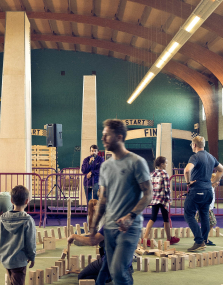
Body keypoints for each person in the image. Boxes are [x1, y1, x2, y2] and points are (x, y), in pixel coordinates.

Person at [90, 119, 152, 285]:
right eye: (102, 135)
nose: (102, 138)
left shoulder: (137, 162)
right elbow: (102, 200)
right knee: (113, 271)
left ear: (118, 137)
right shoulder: (105, 166)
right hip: (109, 228)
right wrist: (93, 227)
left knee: (118, 272)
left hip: (129, 228)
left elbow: (148, 194)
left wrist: (131, 216)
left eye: (106, 135)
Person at [68, 199, 134, 284]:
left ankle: (112, 275)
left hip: (110, 260)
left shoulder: (110, 223)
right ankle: (119, 274)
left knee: (83, 276)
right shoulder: (131, 223)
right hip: (126, 261)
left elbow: (93, 241)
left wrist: (74, 236)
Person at [183, 136, 223, 252]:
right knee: (204, 215)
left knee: (188, 214)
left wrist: (188, 182)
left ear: (194, 145)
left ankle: (199, 240)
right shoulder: (211, 157)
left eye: (192, 144)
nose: (192, 146)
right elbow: (222, 169)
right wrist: (214, 181)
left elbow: (187, 170)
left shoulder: (195, 157)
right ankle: (204, 240)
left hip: (197, 190)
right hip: (208, 191)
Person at [0, 185, 36, 285]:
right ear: (27, 201)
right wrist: (32, 256)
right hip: (19, 261)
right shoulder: (28, 220)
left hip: (6, 260)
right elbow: (30, 241)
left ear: (11, 200)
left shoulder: (3, 218)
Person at [141, 156, 179, 246]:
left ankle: (145, 238)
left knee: (152, 218)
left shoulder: (152, 173)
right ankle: (169, 238)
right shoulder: (164, 174)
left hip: (154, 199)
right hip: (163, 200)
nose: (166, 164)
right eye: (166, 163)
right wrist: (169, 200)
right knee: (166, 218)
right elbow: (167, 189)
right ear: (162, 164)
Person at [195, 172, 219, 246]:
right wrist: (208, 207)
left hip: (208, 208)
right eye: (217, 180)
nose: (218, 182)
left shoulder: (212, 188)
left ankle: (205, 238)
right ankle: (204, 238)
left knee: (210, 224)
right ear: (212, 180)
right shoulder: (209, 188)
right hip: (206, 208)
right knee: (211, 223)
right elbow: (206, 198)